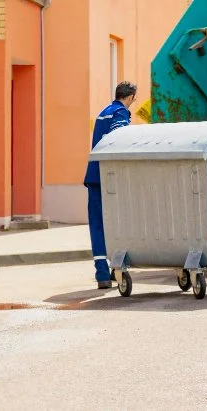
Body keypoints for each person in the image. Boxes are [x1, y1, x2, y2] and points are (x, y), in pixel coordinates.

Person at [84, 81, 137, 289]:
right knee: (117, 222)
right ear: (130, 97)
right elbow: (119, 140)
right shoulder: (120, 113)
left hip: (94, 174)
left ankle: (102, 273)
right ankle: (117, 266)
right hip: (109, 177)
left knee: (97, 224)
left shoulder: (103, 113)